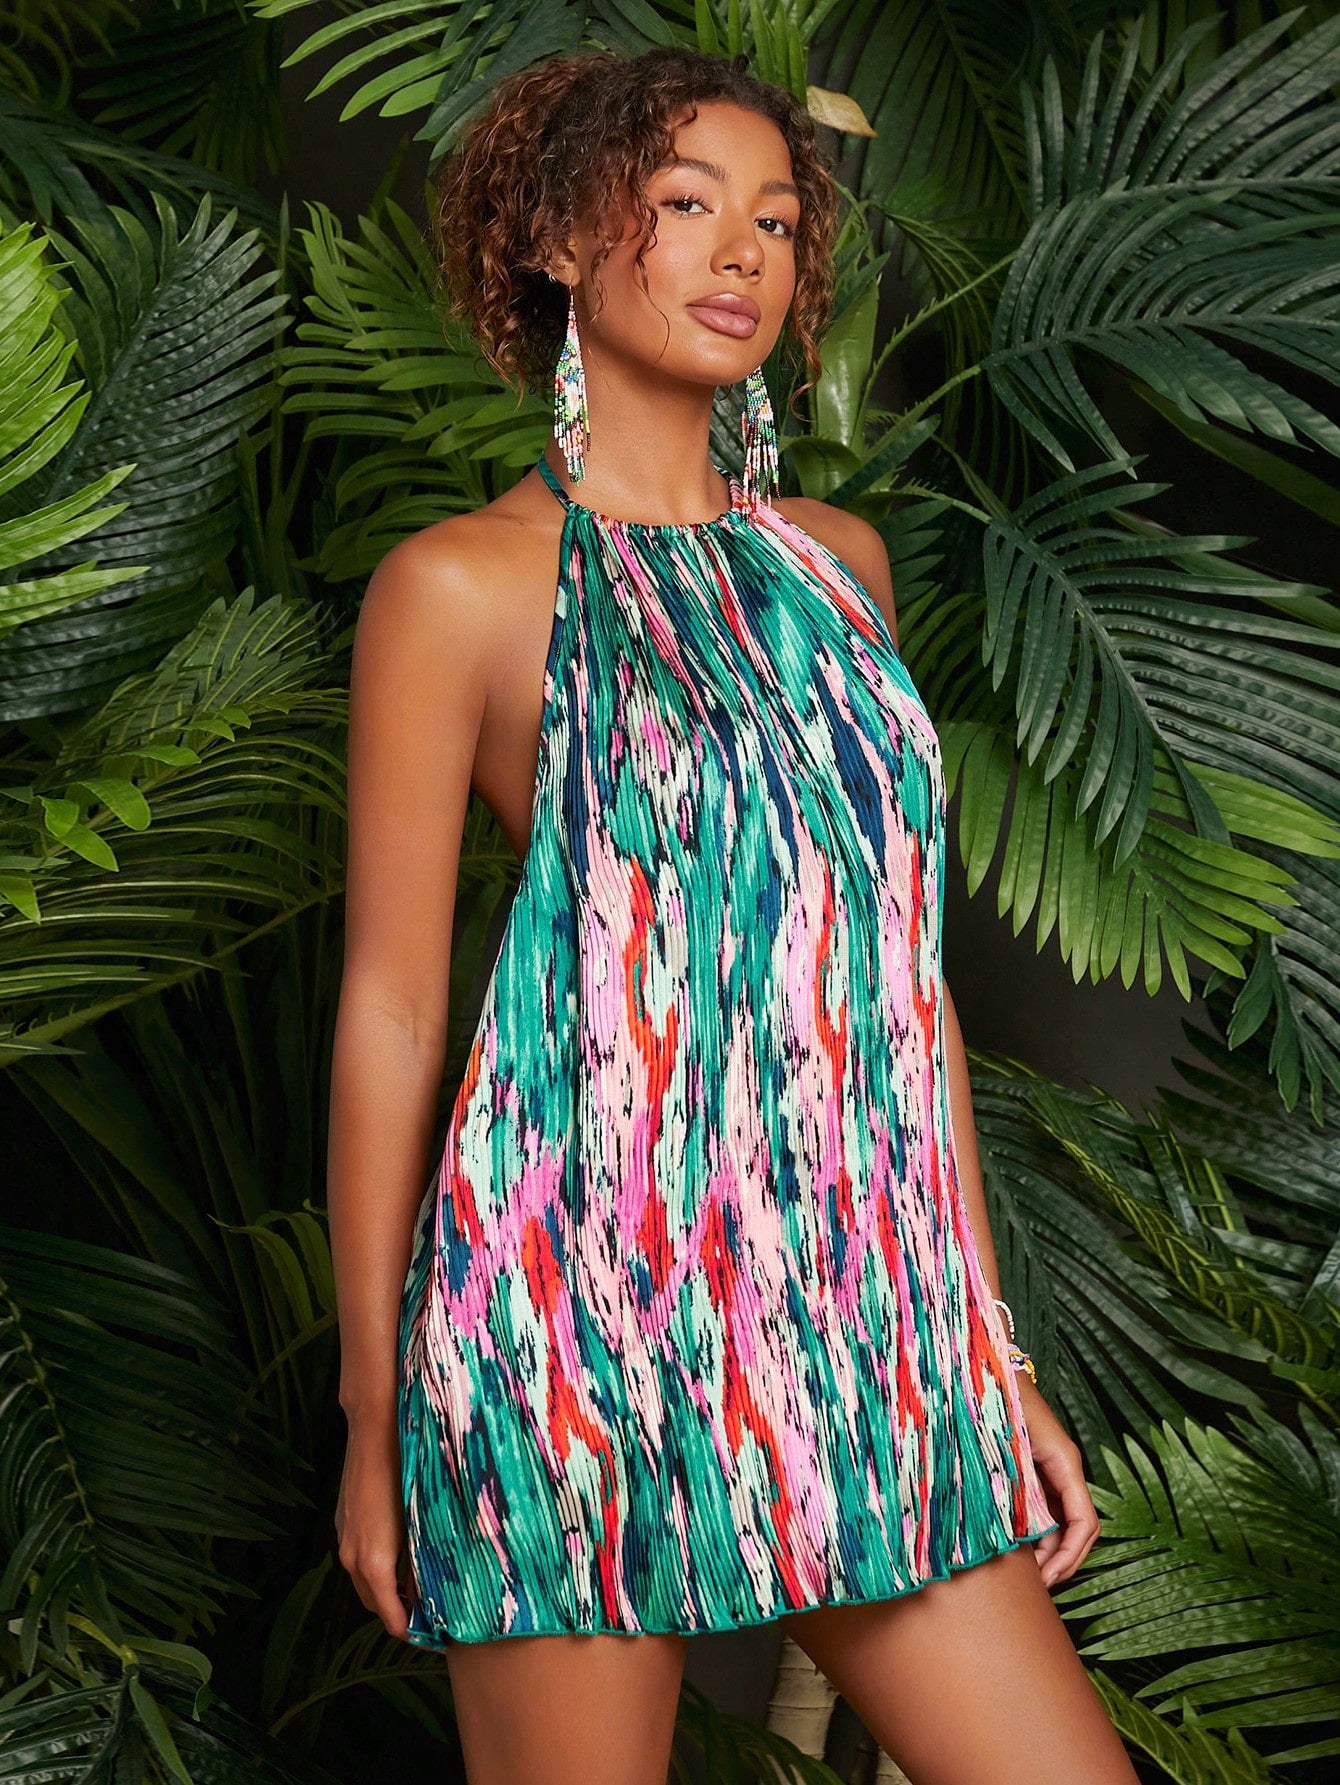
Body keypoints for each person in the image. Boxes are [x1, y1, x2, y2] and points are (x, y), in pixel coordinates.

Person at [327, 43, 1140, 1785]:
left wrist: (980, 1342)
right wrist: (376, 1410)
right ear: (559, 238)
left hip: (861, 1330)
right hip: (570, 1332)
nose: (741, 253)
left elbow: (898, 985)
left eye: (774, 220)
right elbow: (393, 1010)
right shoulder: (457, 589)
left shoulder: (842, 568)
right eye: (684, 203)